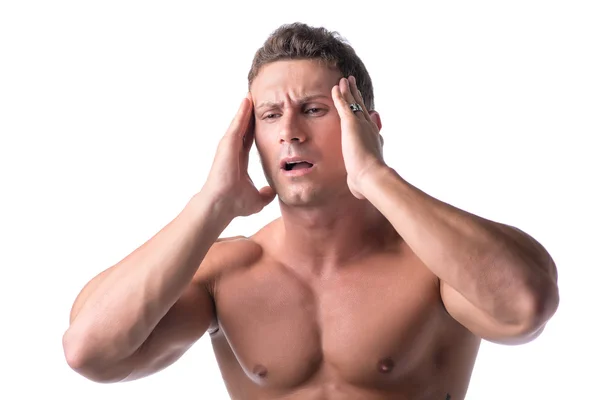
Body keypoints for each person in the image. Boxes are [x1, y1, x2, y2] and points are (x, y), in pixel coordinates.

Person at [62, 22, 560, 400]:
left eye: (315, 109)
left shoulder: (433, 262)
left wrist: (375, 176)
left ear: (365, 124)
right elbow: (90, 352)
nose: (290, 132)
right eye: (270, 115)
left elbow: (524, 307)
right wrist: (210, 205)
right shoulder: (226, 273)